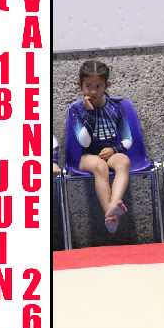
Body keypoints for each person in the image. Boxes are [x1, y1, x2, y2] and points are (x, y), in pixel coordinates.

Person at [65, 59, 133, 233]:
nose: (93, 91)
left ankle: (114, 204)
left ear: (106, 85)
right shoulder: (76, 109)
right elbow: (84, 142)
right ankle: (110, 213)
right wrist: (90, 113)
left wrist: (114, 150)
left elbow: (127, 139)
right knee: (99, 166)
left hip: (111, 152)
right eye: (88, 86)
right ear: (80, 86)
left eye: (98, 86)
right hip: (85, 156)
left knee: (124, 161)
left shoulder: (116, 107)